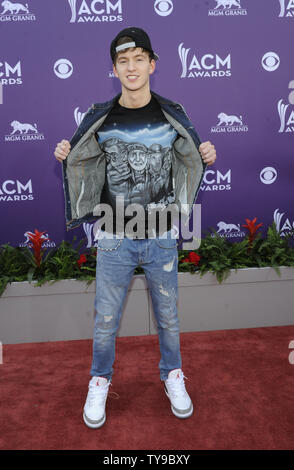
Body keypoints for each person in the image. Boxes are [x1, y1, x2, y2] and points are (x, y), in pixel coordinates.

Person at [54, 27, 217, 429]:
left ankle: (173, 375)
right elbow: (83, 159)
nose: (131, 67)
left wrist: (205, 154)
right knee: (106, 319)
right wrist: (67, 155)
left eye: (139, 59)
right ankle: (99, 380)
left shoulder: (171, 113)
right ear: (114, 69)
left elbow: (189, 156)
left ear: (152, 64)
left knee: (169, 317)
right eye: (123, 61)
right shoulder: (101, 117)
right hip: (113, 235)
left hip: (162, 232)